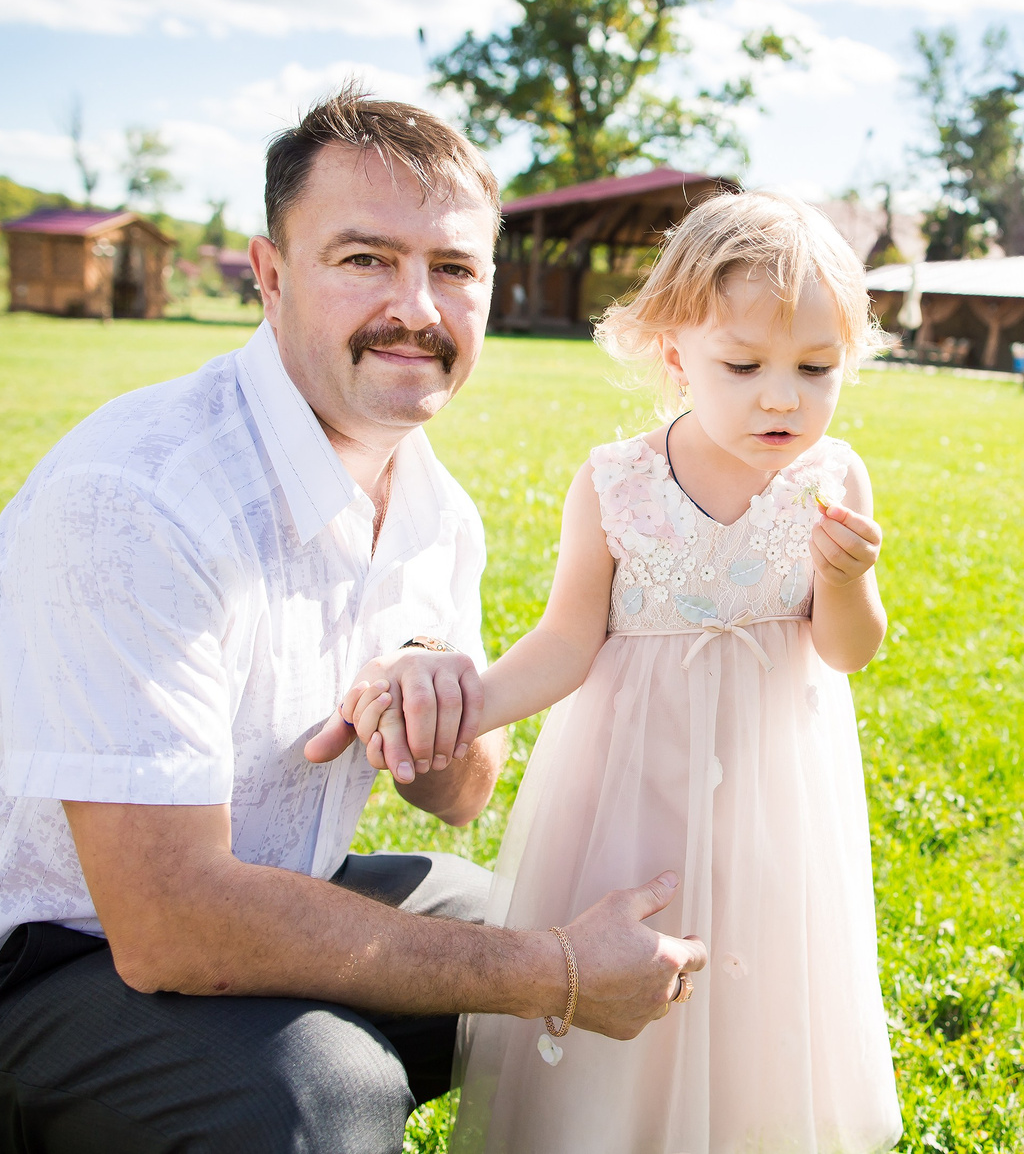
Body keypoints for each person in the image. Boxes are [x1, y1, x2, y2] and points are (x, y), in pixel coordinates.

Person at [0, 87, 705, 1153]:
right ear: (269, 277)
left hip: (275, 890)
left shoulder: (437, 509)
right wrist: (557, 974)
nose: (417, 307)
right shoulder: (137, 496)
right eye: (365, 259)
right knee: (326, 1090)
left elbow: (460, 796)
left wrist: (431, 701)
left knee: (551, 911)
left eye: (454, 269)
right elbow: (170, 923)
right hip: (29, 974)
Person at [333, 191, 903, 1151]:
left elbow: (847, 650)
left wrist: (848, 582)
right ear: (676, 357)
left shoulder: (833, 478)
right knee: (634, 968)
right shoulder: (617, 483)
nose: (782, 398)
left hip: (772, 794)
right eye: (744, 366)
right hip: (634, 792)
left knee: (760, 976)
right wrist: (459, 709)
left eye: (816, 368)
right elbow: (565, 643)